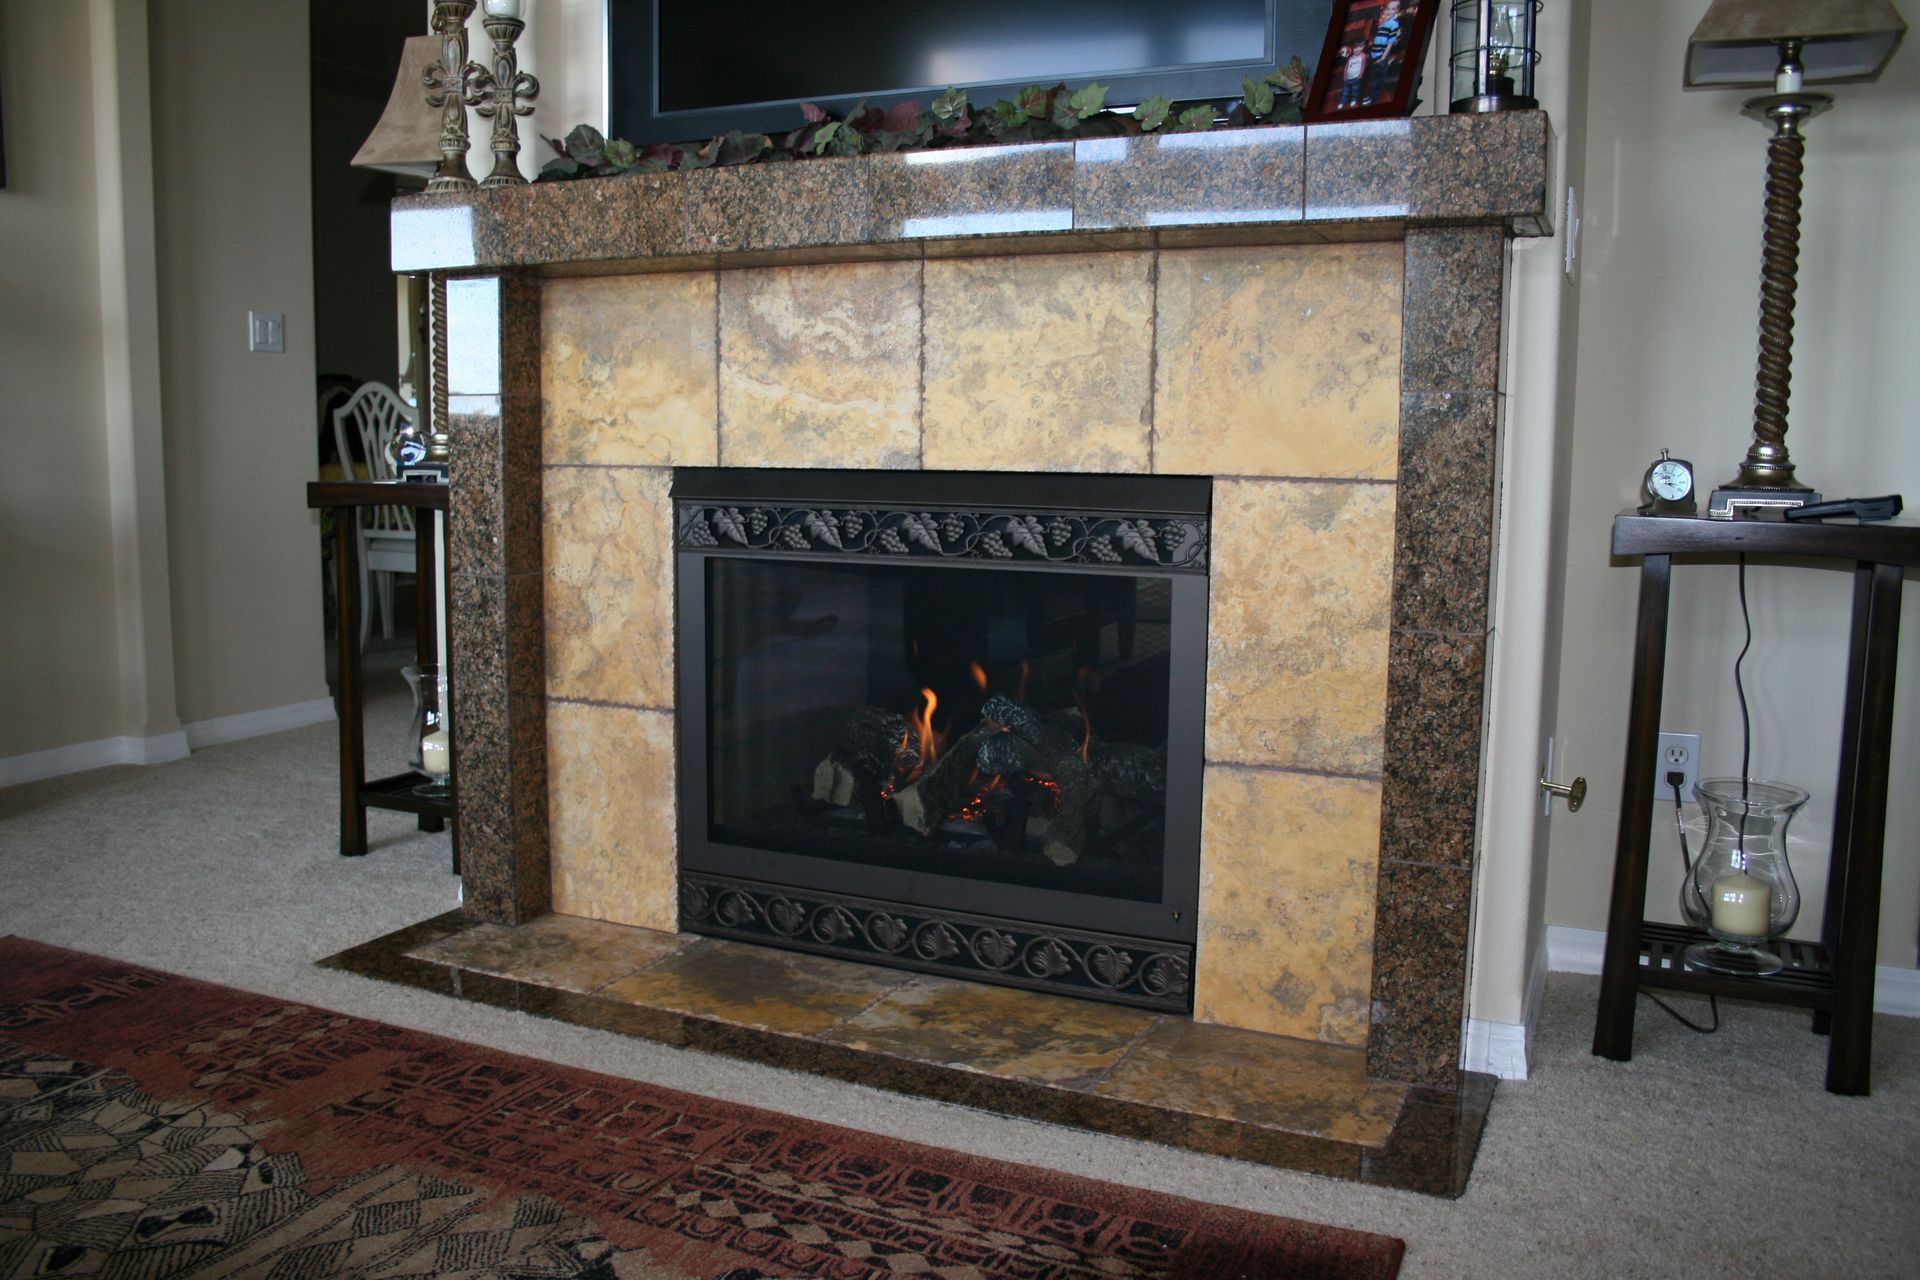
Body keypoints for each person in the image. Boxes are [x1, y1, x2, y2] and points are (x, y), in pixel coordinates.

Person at [1364, 1, 1404, 104]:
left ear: (1397, 10)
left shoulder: (1394, 24)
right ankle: (1370, 96)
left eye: (1393, 9)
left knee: (1378, 78)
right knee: (1374, 76)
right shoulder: (1384, 22)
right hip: (1375, 53)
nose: (1390, 11)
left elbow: (1390, 43)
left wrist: (1383, 57)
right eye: (1388, 9)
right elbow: (1377, 39)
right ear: (1384, 10)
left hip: (1382, 55)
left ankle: (1373, 99)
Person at [1338, 43, 1369, 108]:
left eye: (1359, 47)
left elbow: (1363, 66)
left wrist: (1360, 75)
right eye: (1355, 48)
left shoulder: (1363, 56)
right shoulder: (1350, 58)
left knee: (1355, 91)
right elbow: (1346, 67)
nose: (1357, 49)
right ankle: (1342, 102)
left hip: (1356, 78)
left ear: (1363, 48)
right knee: (1345, 91)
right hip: (1348, 78)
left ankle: (1353, 100)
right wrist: (1345, 76)